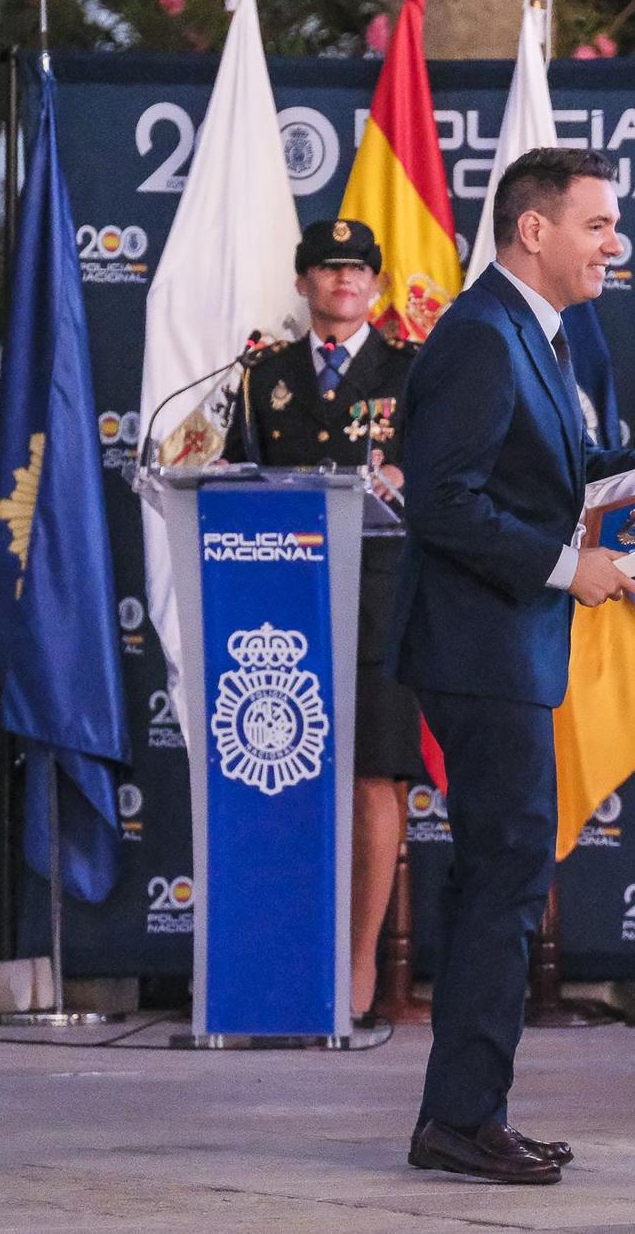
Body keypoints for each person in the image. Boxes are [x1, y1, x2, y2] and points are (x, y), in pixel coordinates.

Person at [394, 147, 635, 1184]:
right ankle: (462, 1120)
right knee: (505, 877)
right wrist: (568, 567)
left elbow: (574, 474)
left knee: (499, 878)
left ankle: (463, 1112)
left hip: (506, 648)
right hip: (481, 647)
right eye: (597, 224)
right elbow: (445, 501)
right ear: (532, 231)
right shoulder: (479, 336)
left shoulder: (536, 335)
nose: (615, 242)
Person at [220, 217, 424, 1024]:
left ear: (375, 286)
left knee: (376, 775)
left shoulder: (414, 369)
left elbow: (445, 471)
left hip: (381, 598)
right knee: (283, 774)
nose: (344, 281)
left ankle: (360, 964)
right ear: (303, 284)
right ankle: (285, 958)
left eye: (358, 270)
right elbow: (237, 474)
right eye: (328, 269)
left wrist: (408, 472)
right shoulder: (259, 375)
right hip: (282, 599)